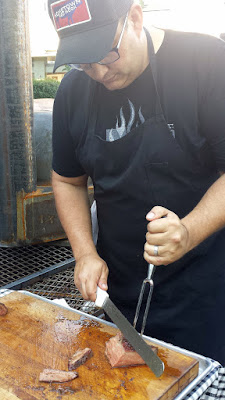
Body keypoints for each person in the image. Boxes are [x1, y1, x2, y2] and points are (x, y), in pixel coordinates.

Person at [48, 0, 225, 365]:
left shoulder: (206, 62)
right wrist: (84, 254)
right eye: (83, 61)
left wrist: (188, 231)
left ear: (136, 17)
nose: (97, 72)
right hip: (122, 291)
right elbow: (67, 180)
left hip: (209, 287)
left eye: (105, 54)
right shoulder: (72, 92)